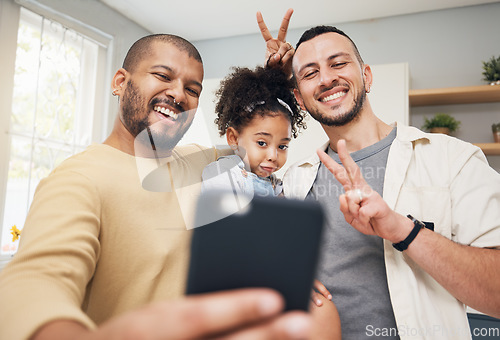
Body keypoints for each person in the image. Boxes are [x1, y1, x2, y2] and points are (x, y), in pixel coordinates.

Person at [0, 34, 313, 340]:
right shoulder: (79, 179)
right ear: (120, 82)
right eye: (163, 76)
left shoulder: (196, 161)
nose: (178, 95)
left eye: (192, 89)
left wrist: (276, 84)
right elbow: (33, 285)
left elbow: (255, 142)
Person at [257, 9, 500, 339]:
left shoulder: (451, 158)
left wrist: (402, 230)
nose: (326, 78)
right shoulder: (294, 181)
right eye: (310, 73)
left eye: (338, 63)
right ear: (298, 98)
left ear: (367, 76)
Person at [201, 66, 305, 198]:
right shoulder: (223, 173)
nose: (273, 156)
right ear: (234, 138)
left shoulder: (275, 184)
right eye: (262, 143)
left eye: (282, 146)